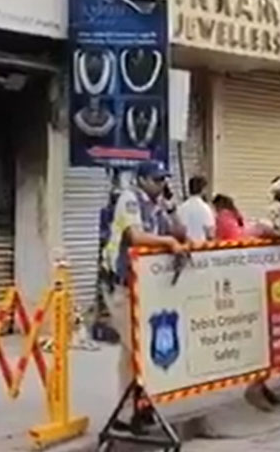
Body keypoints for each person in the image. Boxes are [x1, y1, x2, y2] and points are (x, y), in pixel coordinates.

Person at [101, 161, 184, 429]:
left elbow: (179, 232)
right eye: (157, 180)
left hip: (145, 285)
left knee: (134, 352)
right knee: (136, 348)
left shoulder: (157, 204)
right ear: (142, 179)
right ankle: (131, 411)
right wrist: (169, 243)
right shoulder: (130, 199)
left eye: (164, 180)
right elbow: (136, 236)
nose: (161, 185)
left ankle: (135, 409)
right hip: (122, 284)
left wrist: (172, 207)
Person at [174, 176, 215, 243]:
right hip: (201, 246)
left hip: (185, 246)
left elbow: (179, 229)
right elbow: (210, 234)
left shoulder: (181, 208)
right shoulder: (206, 208)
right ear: (203, 190)